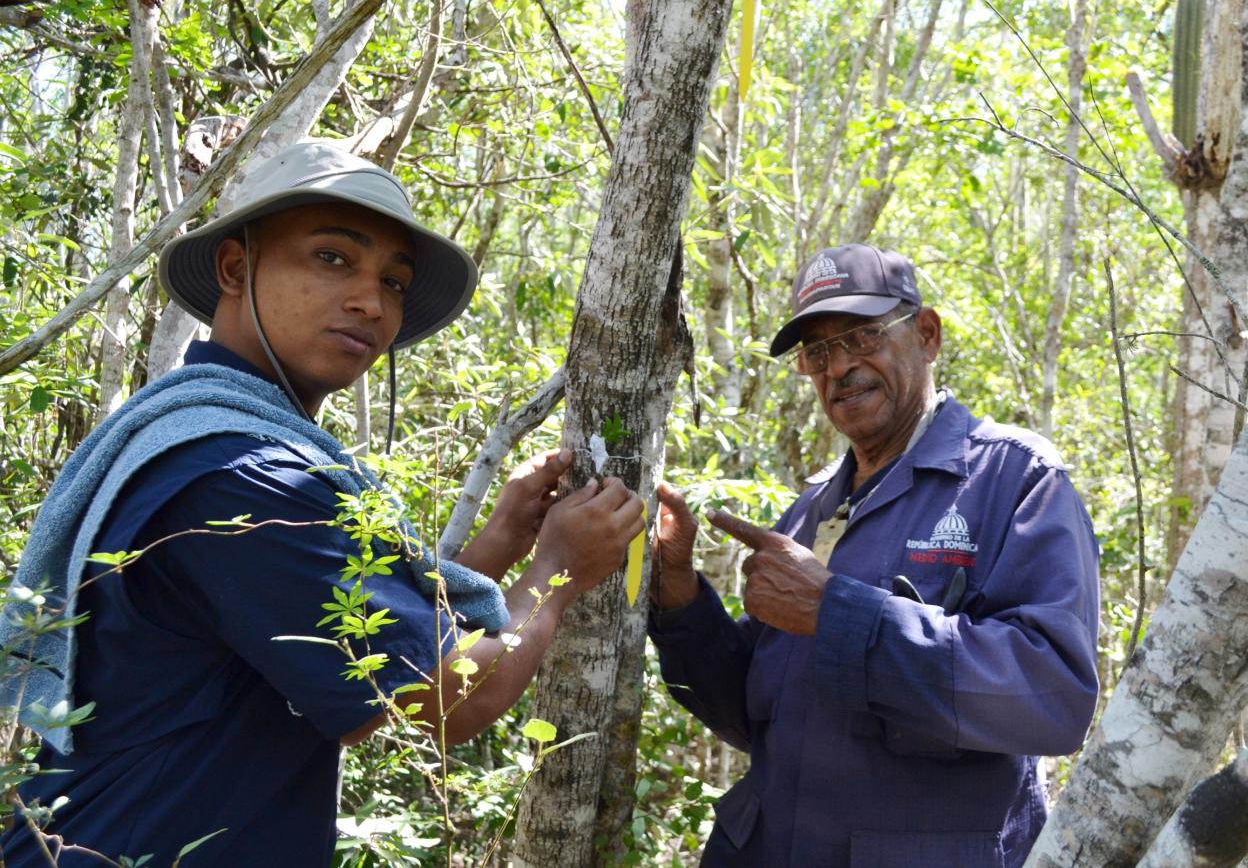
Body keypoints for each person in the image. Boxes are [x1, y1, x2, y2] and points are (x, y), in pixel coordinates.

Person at [1, 141, 643, 866]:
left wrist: (502, 541)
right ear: (237, 268)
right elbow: (448, 700)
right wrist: (558, 570)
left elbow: (355, 651)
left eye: (394, 281)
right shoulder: (244, 473)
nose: (371, 302)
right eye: (333, 258)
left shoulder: (200, 438)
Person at [649, 243, 1100, 867]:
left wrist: (836, 613)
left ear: (926, 334)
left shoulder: (1015, 481)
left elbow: (1053, 699)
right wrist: (679, 597)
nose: (839, 368)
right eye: (818, 352)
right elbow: (754, 716)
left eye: (862, 337)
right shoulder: (812, 511)